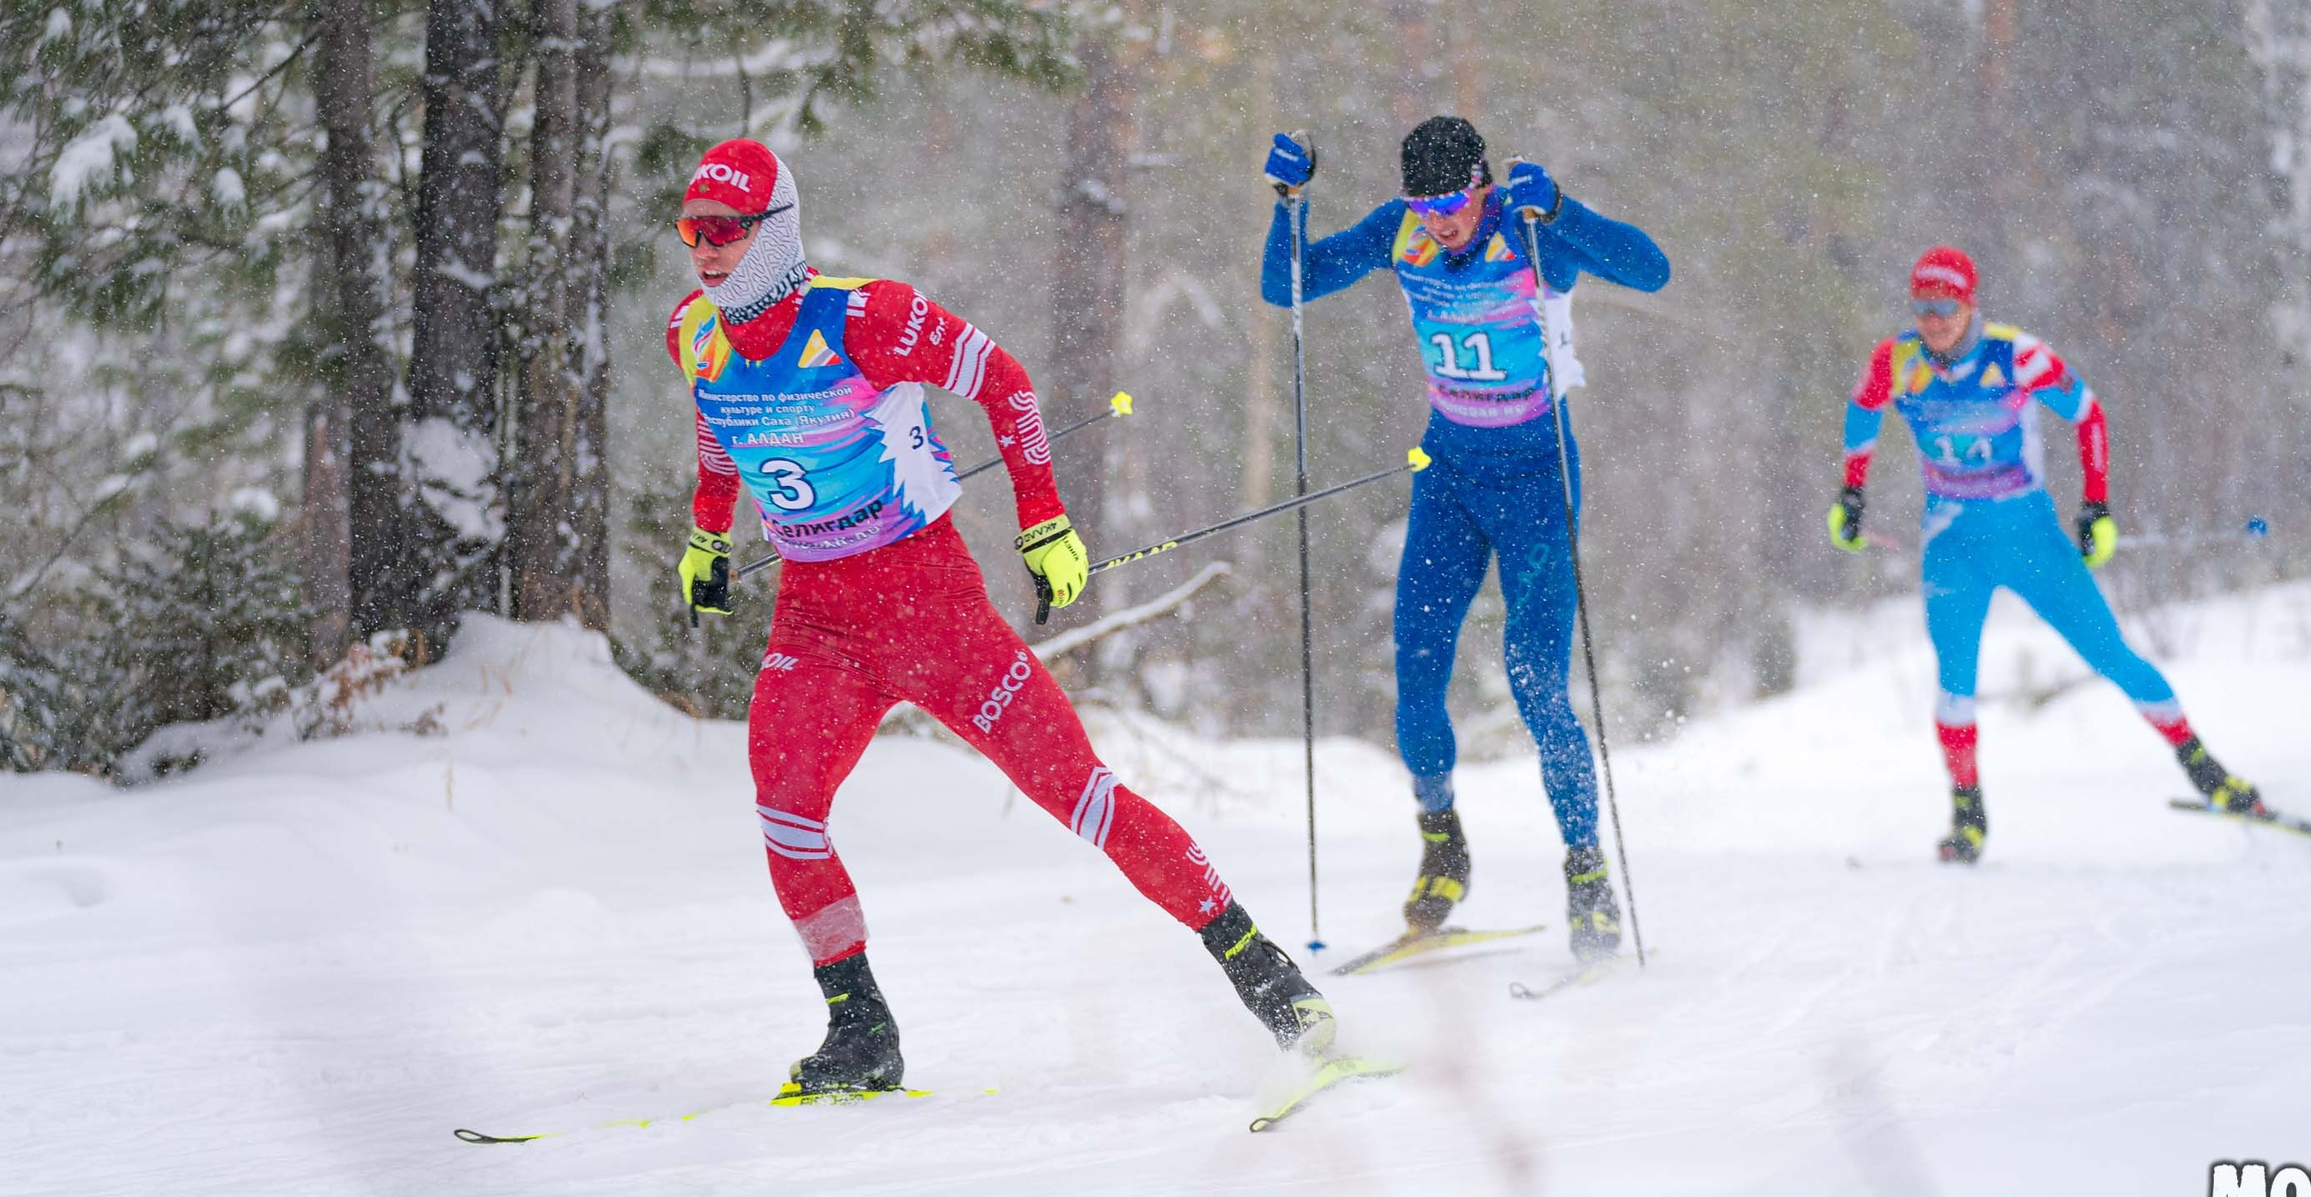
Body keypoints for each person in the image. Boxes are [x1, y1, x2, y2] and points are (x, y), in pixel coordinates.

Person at [666, 138, 1333, 1093]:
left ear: (775, 234)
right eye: (693, 230)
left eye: (726, 231)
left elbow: (1007, 381)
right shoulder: (694, 332)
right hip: (814, 620)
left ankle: (1271, 978)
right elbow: (716, 433)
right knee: (785, 806)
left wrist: (1044, 520)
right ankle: (861, 1029)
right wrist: (709, 537)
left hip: (930, 606)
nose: (706, 250)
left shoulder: (869, 319)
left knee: (1080, 794)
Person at [1259, 117, 1669, 961]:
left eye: (1451, 202)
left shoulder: (1528, 233)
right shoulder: (1400, 230)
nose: (1438, 220)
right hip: (1447, 473)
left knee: (1535, 680)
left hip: (1535, 483)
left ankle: (1587, 871)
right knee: (1415, 668)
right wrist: (1289, 203)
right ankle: (1443, 841)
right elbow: (1287, 285)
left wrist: (1561, 207)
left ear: (1481, 184)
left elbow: (1651, 269)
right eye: (1424, 203)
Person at [1832, 244, 2267, 862]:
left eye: (1945, 307)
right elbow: (1861, 412)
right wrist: (1851, 493)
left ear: (1969, 303)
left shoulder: (2016, 355)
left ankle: (2207, 773)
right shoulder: (1897, 360)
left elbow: (2088, 414)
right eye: (1921, 306)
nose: (1932, 320)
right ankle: (1969, 817)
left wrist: (2096, 506)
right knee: (1954, 683)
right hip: (1952, 542)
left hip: (2029, 536)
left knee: (2111, 654)